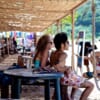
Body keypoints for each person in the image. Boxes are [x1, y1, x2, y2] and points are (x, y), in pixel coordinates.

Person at [50, 32, 94, 100]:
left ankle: (71, 97)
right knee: (91, 85)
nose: (69, 44)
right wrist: (67, 68)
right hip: (65, 78)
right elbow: (57, 67)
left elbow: (54, 65)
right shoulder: (63, 54)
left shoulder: (53, 53)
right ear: (62, 44)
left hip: (60, 78)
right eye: (67, 42)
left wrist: (65, 67)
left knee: (78, 78)